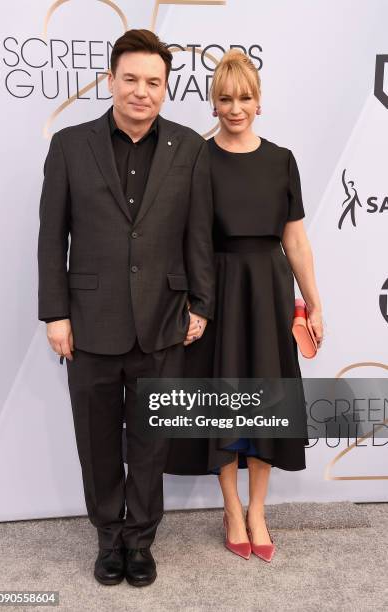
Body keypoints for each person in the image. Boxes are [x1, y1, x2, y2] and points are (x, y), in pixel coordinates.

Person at [37, 29, 214, 587]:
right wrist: (55, 313)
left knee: (150, 440)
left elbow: (198, 234)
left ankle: (140, 540)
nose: (142, 91)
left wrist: (201, 304)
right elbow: (51, 237)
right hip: (88, 321)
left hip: (164, 319)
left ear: (166, 88)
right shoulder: (69, 145)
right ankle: (108, 537)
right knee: (96, 440)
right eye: (131, 79)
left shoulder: (189, 147)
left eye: (154, 82)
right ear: (110, 80)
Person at [165, 50, 324, 563]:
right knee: (224, 398)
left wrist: (315, 303)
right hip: (219, 291)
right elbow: (187, 241)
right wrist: (194, 302)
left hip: (271, 292)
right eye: (226, 98)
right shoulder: (197, 158)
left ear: (259, 101)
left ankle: (259, 509)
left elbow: (295, 239)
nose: (236, 108)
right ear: (213, 103)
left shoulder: (281, 160)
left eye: (245, 97)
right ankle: (231, 507)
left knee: (268, 404)